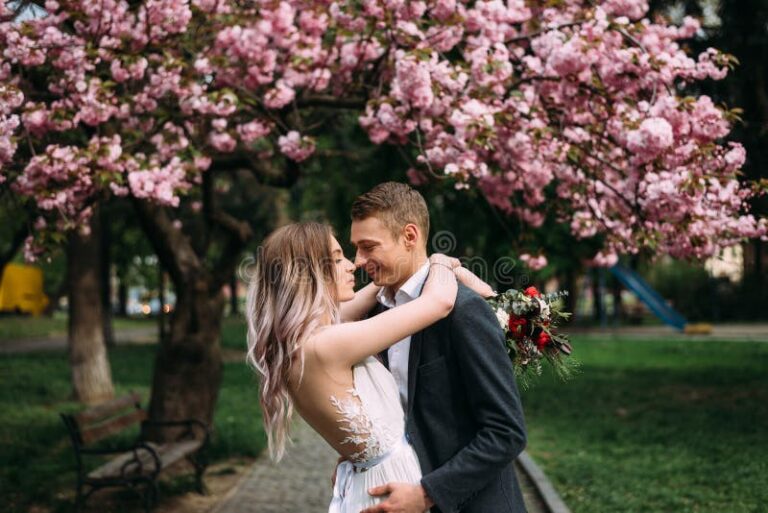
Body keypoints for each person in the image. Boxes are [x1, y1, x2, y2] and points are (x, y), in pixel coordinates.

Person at [245, 221, 492, 513]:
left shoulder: (298, 340)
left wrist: (408, 265)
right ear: (308, 274)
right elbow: (438, 303)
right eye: (337, 259)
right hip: (389, 485)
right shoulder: (327, 344)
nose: (352, 265)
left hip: (373, 484)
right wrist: (439, 260)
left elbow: (375, 289)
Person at [350, 182, 528, 513]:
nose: (359, 260)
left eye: (368, 246)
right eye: (356, 248)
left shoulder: (463, 310)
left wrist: (428, 493)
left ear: (410, 236)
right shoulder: (375, 313)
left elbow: (507, 431)